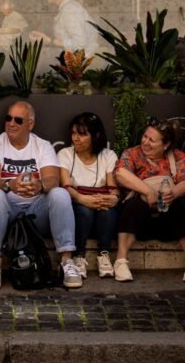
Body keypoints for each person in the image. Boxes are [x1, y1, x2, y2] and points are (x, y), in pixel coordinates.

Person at [0, 101, 82, 289]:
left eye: (18, 120)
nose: (11, 123)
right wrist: (9, 185)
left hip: (36, 213)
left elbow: (53, 178)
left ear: (30, 124)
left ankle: (67, 262)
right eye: (8, 118)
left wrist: (39, 186)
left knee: (59, 193)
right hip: (8, 213)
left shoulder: (41, 145)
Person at [113, 119, 185, 283]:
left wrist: (174, 193)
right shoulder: (132, 154)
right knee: (133, 205)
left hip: (169, 220)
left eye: (151, 140)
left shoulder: (178, 157)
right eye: (144, 137)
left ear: (165, 145)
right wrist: (148, 191)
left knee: (181, 206)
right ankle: (121, 261)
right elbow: (120, 174)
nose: (145, 142)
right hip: (140, 221)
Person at [58, 112, 119, 279]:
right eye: (74, 133)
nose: (76, 138)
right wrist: (81, 198)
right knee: (84, 212)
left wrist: (113, 198)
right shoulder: (65, 154)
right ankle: (79, 256)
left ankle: (104, 255)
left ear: (96, 135)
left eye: (82, 134)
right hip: (77, 199)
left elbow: (112, 186)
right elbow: (65, 185)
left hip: (101, 199)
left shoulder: (108, 155)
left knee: (108, 210)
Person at [30, 0, 98, 55]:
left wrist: (51, 41)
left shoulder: (69, 10)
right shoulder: (68, 7)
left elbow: (80, 44)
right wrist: (47, 40)